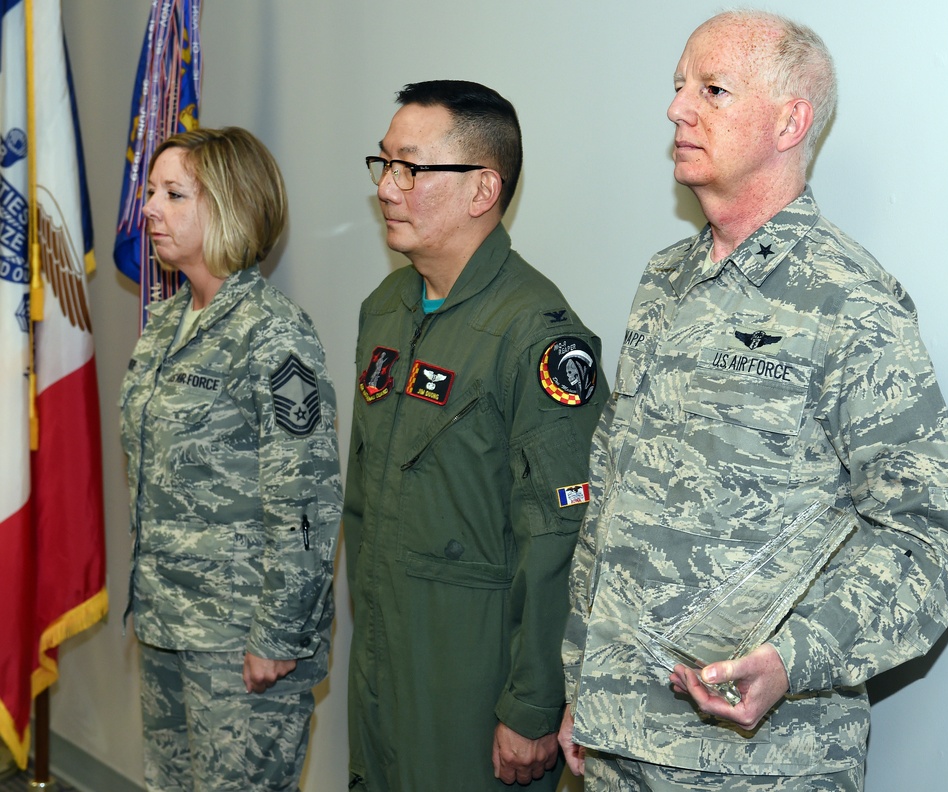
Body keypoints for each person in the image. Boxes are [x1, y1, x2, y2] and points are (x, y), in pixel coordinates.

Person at [560, 10, 948, 792]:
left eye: (712, 89)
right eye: (678, 87)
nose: (678, 108)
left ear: (791, 120)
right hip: (617, 746)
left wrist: (793, 660)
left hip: (758, 766)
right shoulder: (662, 283)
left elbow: (931, 543)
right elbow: (610, 501)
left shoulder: (850, 303)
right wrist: (584, 685)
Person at [344, 80, 609, 791]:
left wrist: (531, 704)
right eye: (384, 165)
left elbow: (562, 536)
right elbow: (362, 502)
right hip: (383, 655)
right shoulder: (387, 308)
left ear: (482, 189)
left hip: (473, 678)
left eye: (411, 168)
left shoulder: (536, 334)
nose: (388, 189)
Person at [119, 126, 342, 791]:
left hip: (239, 637)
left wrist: (276, 634)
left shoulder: (274, 332)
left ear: (228, 207)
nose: (149, 209)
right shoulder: (164, 324)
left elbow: (306, 497)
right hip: (166, 621)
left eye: (173, 194)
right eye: (151, 191)